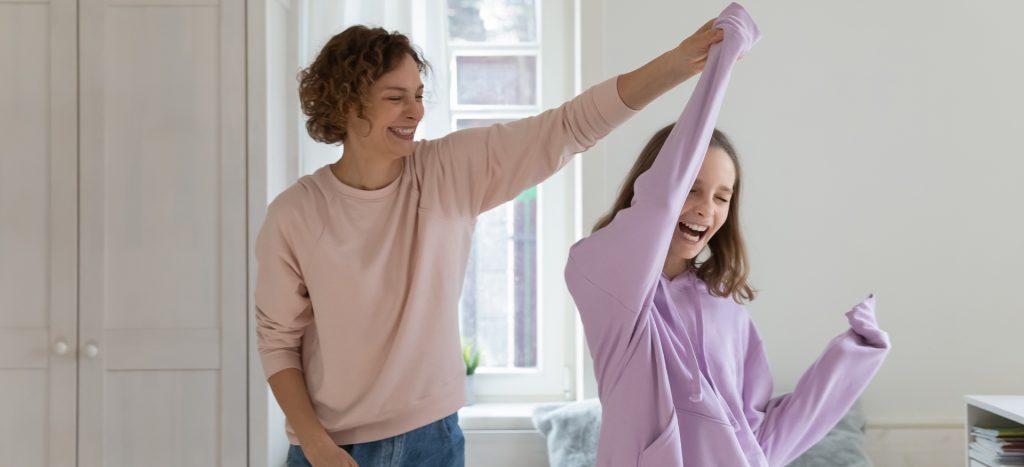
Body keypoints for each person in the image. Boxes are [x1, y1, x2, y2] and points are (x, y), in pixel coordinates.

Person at [255, 18, 727, 467]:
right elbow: (278, 342)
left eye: (418, 95)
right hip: (331, 449)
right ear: (345, 104)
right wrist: (316, 446)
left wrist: (675, 64)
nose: (415, 111)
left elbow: (567, 126)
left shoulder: (449, 172)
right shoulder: (296, 213)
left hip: (431, 441)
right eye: (395, 97)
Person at [564, 4, 891, 466]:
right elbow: (658, 201)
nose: (705, 209)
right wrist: (721, 60)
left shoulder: (728, 313)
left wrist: (854, 353)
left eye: (722, 197)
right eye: (692, 189)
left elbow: (762, 438)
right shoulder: (602, 276)